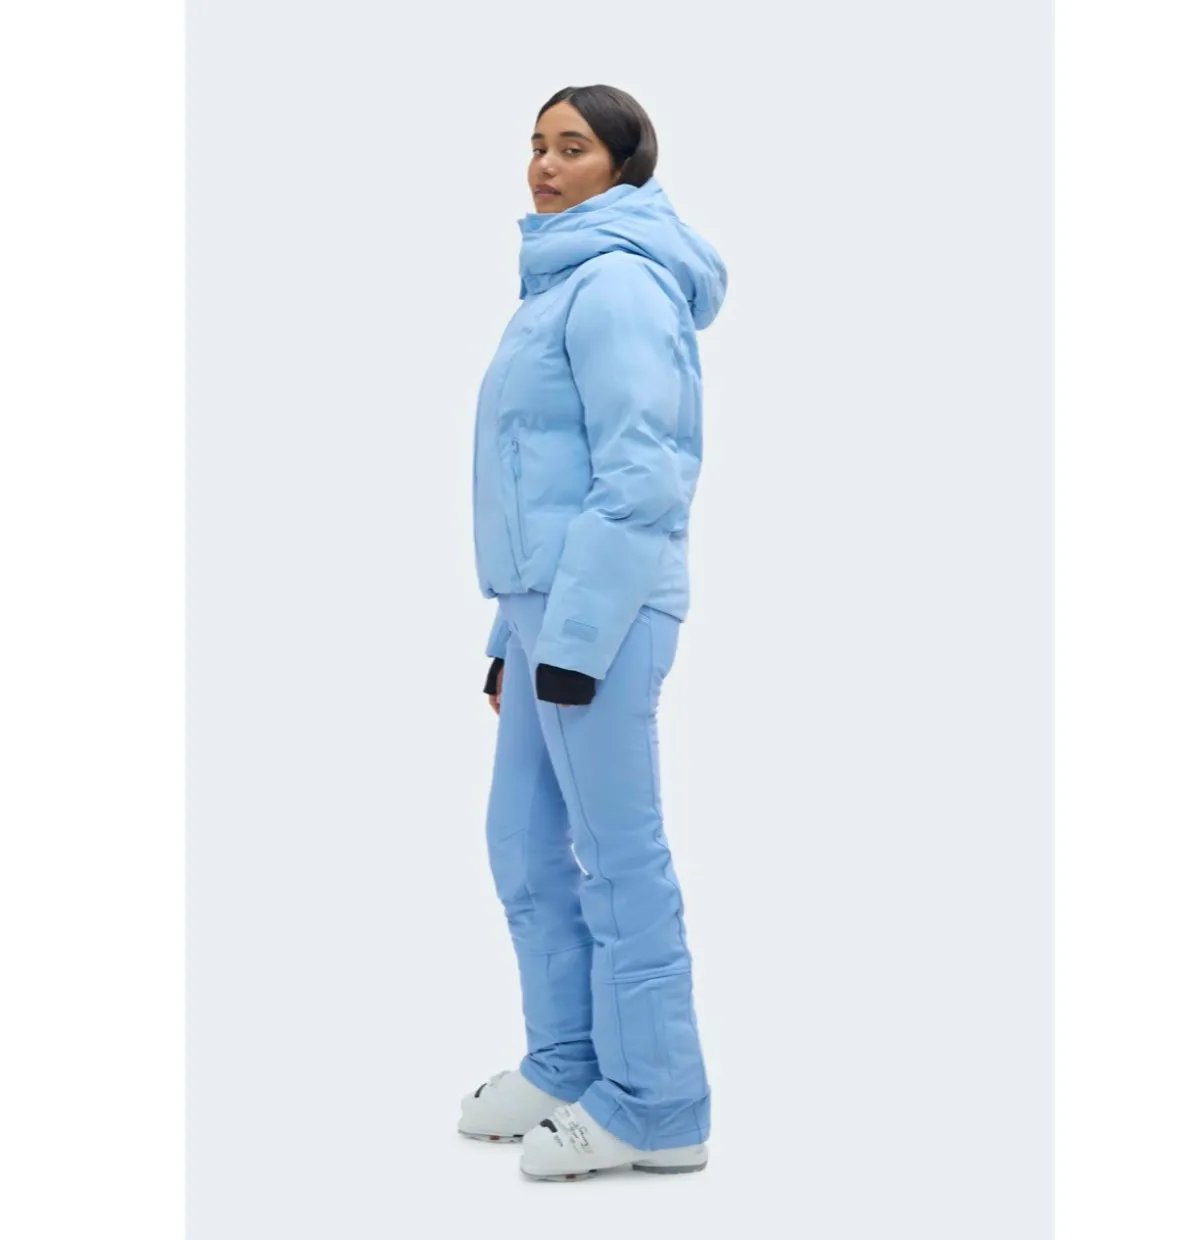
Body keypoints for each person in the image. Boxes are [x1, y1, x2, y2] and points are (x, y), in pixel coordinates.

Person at [457, 83, 727, 1182]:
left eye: (572, 147)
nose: (545, 165)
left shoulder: (619, 283)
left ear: (625, 164)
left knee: (618, 858)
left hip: (602, 616)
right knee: (523, 842)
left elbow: (643, 474)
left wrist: (570, 638)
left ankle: (658, 1106)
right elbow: (539, 481)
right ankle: (568, 1060)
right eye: (536, 145)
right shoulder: (560, 283)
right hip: (544, 613)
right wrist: (510, 634)